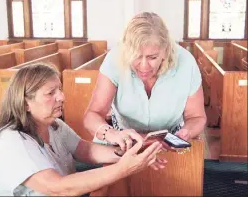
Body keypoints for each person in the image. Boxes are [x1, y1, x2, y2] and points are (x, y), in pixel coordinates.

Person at [0, 63, 167, 196]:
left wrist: (132, 152)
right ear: (25, 103)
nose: (61, 96)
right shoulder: (10, 141)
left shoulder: (54, 125)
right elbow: (57, 188)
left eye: (59, 90)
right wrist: (123, 168)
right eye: (51, 93)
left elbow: (84, 150)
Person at [83, 12, 207, 152]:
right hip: (123, 140)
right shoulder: (115, 59)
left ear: (166, 51)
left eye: (152, 57)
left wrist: (187, 132)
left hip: (169, 142)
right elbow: (92, 115)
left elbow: (196, 116)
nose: (143, 66)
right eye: (136, 57)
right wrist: (111, 134)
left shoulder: (186, 63)